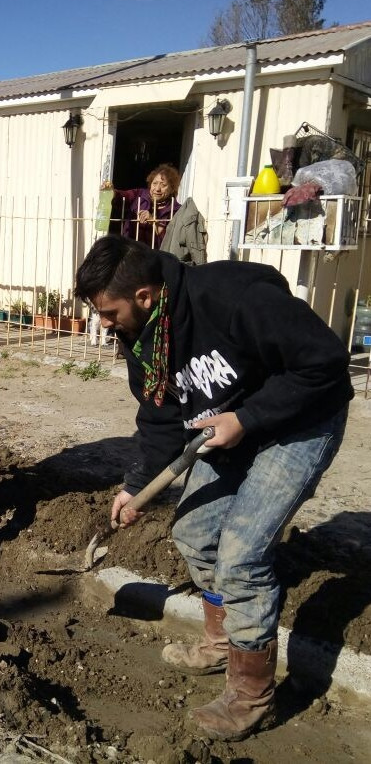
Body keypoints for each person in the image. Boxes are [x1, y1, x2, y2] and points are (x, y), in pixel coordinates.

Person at [74, 234, 352, 741]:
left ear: (144, 295)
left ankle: (250, 696)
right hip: (229, 429)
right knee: (195, 533)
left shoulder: (232, 297)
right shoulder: (143, 337)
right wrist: (136, 486)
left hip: (299, 423)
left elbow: (326, 362)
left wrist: (248, 417)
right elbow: (160, 415)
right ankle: (223, 638)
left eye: (109, 312)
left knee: (242, 556)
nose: (103, 324)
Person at [118, 163, 182, 250]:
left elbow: (170, 240)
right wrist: (111, 192)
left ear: (172, 189)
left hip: (156, 256)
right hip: (131, 251)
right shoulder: (139, 195)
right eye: (154, 183)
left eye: (163, 185)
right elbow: (122, 196)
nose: (157, 189)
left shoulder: (176, 210)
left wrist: (153, 221)